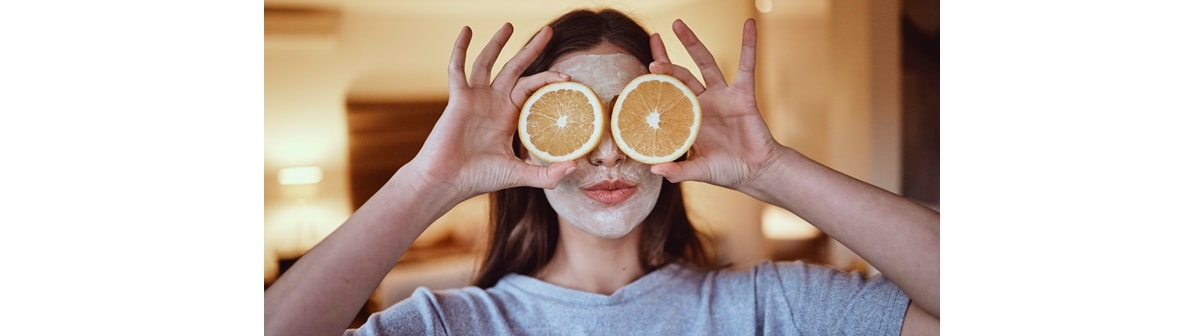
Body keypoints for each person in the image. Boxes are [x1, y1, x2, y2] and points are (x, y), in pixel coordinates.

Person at [265, 8, 939, 336]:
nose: (609, 153)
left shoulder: (775, 308)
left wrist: (772, 168)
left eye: (631, 117)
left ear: (669, 127)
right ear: (526, 144)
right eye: (575, 118)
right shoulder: (450, 325)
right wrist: (428, 182)